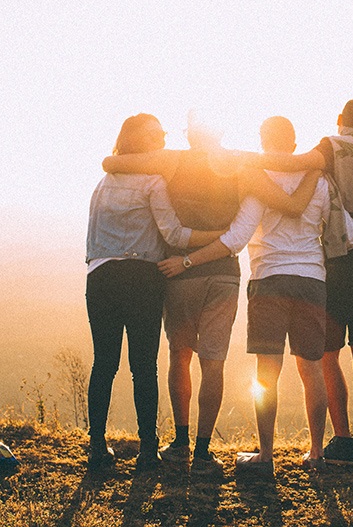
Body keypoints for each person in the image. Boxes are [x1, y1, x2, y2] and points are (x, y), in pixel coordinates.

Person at [158, 116, 353, 475]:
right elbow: (351, 233)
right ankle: (317, 453)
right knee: (312, 371)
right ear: (293, 145)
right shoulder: (320, 182)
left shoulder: (258, 180)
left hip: (269, 281)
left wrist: (187, 260)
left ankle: (266, 456)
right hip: (312, 283)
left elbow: (236, 238)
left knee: (267, 374)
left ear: (262, 141)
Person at [102, 113, 319, 475]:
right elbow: (286, 199)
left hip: (179, 273)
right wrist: (314, 166)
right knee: (213, 362)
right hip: (223, 274)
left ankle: (181, 442)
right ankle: (203, 452)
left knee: (180, 355)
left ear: (190, 135)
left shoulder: (173, 160)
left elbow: (112, 162)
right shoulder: (241, 164)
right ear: (220, 130)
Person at [244, 98, 353, 465]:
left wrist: (241, 160)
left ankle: (340, 439)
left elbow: (295, 164)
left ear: (340, 120)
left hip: (342, 259)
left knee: (325, 355)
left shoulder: (333, 145)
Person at [85, 113, 224, 472]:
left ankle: (97, 448)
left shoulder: (103, 183)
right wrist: (220, 237)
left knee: (104, 364)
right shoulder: (153, 181)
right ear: (140, 141)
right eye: (156, 134)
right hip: (142, 278)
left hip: (100, 277)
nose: (163, 138)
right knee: (143, 366)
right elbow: (174, 236)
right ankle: (148, 450)